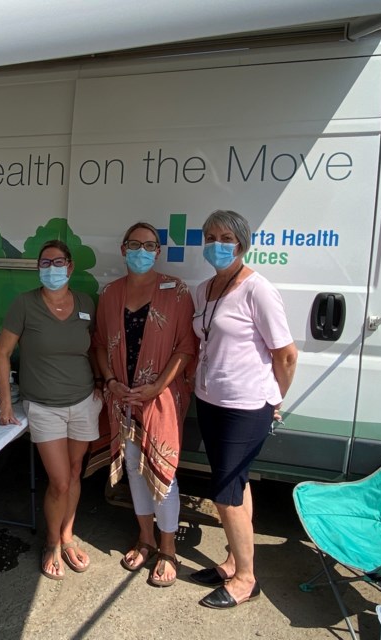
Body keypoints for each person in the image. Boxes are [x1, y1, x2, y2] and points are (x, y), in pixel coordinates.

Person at [189, 209, 298, 609]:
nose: (217, 244)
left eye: (226, 238)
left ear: (241, 243)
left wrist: (275, 398)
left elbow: (285, 355)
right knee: (237, 482)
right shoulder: (202, 290)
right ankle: (234, 560)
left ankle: (247, 579)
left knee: (225, 493)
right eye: (211, 237)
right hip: (210, 400)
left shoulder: (258, 290)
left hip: (246, 405)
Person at [92, 222, 198, 588]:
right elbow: (100, 345)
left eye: (149, 245)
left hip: (161, 397)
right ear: (123, 249)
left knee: (162, 472)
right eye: (135, 244)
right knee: (135, 469)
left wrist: (154, 387)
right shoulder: (109, 294)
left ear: (158, 251)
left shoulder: (177, 291)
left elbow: (186, 348)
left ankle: (168, 549)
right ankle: (146, 539)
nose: (142, 250)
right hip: (121, 397)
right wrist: (111, 382)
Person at [0, 240, 101, 580]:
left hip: (84, 401)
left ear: (70, 268)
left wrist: (103, 382)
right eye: (45, 263)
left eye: (58, 263)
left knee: (73, 473)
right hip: (44, 407)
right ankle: (52, 542)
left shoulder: (86, 302)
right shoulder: (25, 304)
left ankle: (68, 535)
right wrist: (6, 403)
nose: (51, 269)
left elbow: (95, 346)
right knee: (58, 481)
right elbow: (2, 353)